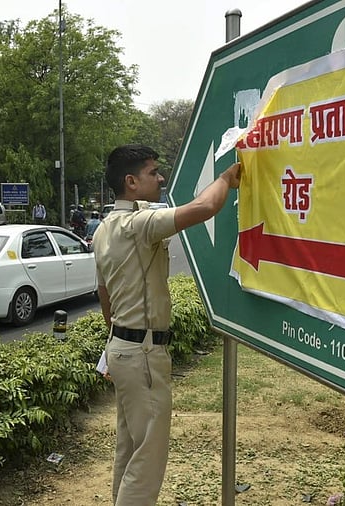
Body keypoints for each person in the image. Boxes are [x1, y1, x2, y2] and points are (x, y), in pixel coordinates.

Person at [91, 144, 241, 505]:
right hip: (143, 353)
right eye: (152, 172)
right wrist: (224, 178)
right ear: (131, 182)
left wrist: (116, 342)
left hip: (122, 348)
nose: (160, 178)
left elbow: (103, 294)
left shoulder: (104, 229)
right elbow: (204, 208)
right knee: (147, 458)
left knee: (130, 451)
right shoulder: (138, 224)